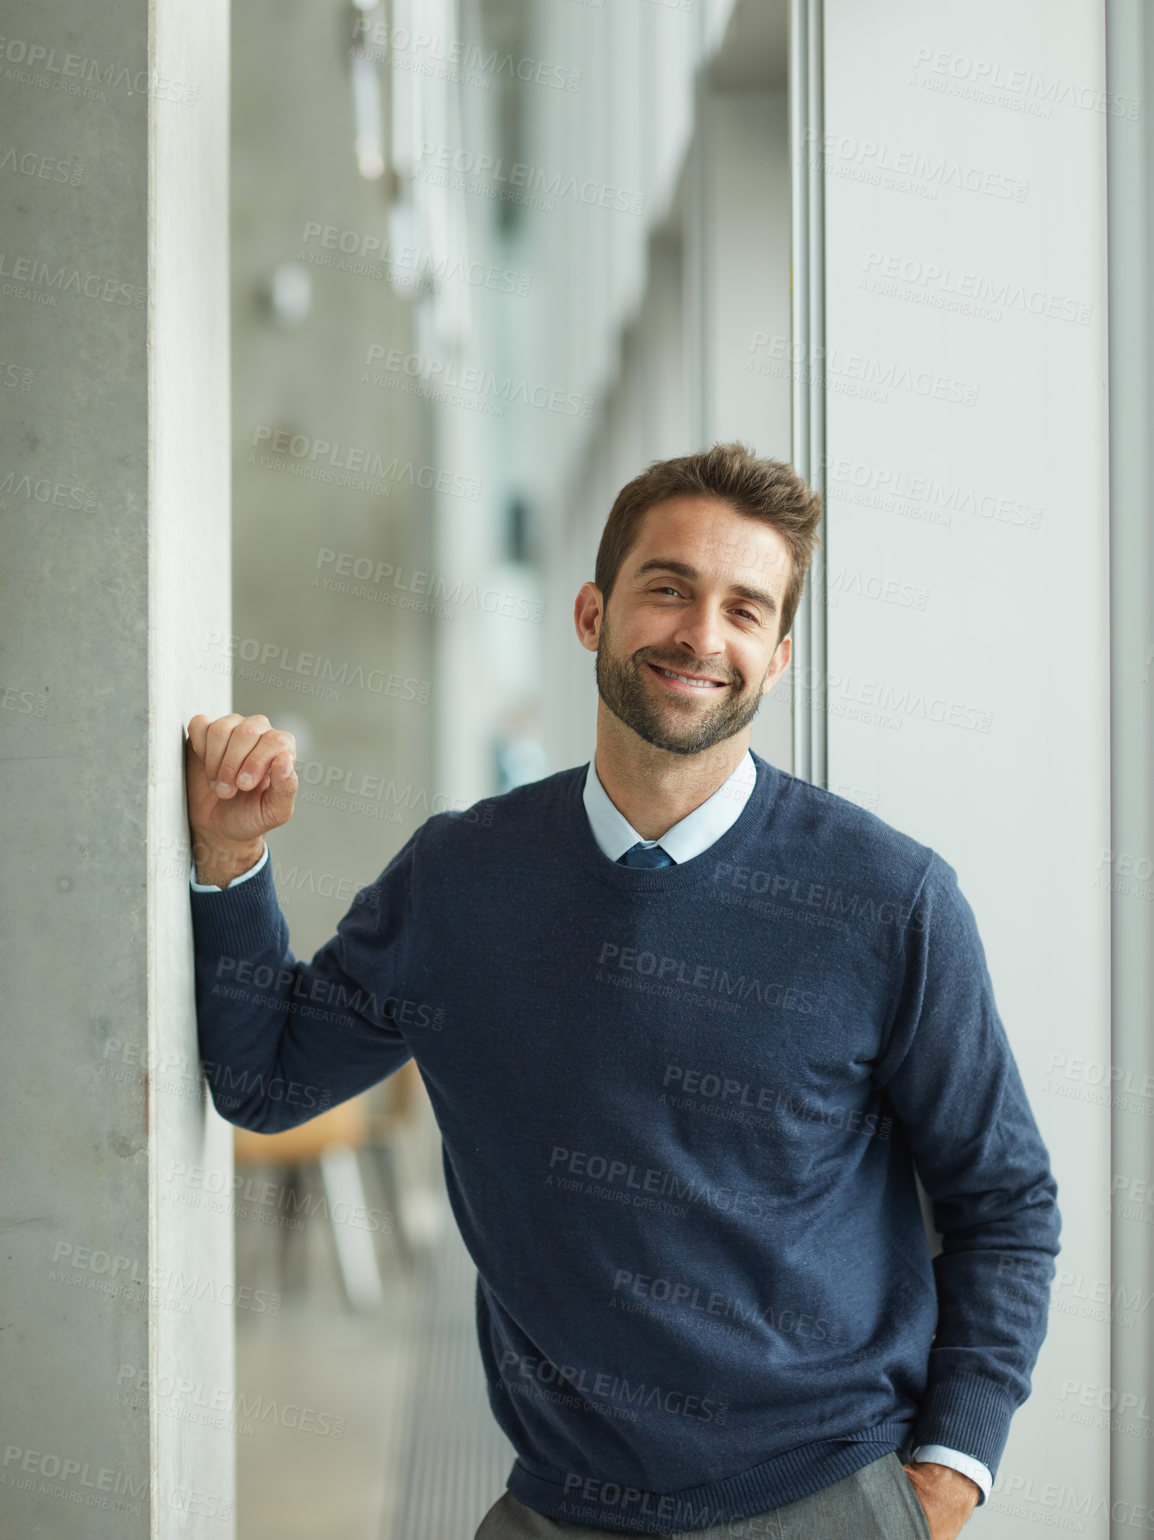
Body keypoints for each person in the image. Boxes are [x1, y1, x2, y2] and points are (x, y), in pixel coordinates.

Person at [185, 442, 1060, 1540]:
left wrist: (943, 1478)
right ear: (591, 612)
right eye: (669, 589)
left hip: (826, 1499)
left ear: (776, 658)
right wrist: (226, 861)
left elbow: (1005, 1202)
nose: (702, 634)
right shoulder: (459, 880)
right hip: (555, 1506)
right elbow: (262, 1078)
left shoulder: (889, 902)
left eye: (744, 609)